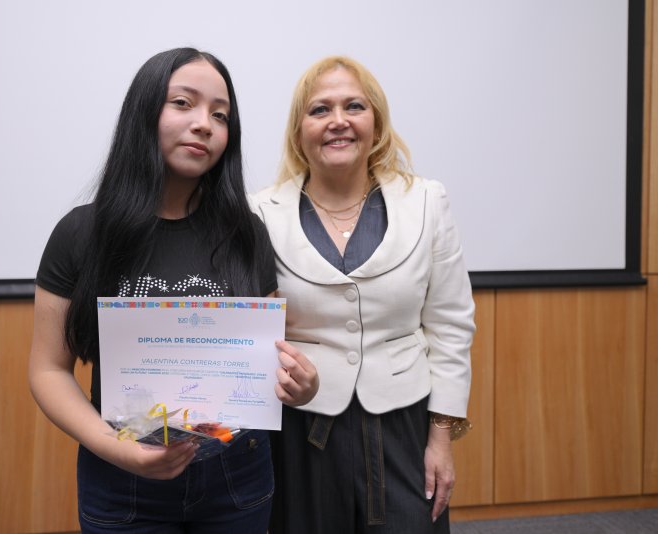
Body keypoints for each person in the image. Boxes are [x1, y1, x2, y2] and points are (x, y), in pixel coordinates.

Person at [29, 47, 318, 533]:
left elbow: (267, 361)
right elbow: (47, 370)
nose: (205, 124)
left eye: (220, 115)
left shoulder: (246, 233)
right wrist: (118, 448)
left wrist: (300, 385)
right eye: (183, 103)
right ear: (143, 112)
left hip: (237, 475)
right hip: (123, 476)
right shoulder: (82, 233)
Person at [251, 56, 476, 533]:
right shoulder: (260, 213)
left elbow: (451, 326)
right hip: (301, 430)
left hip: (404, 426)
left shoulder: (427, 201)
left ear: (376, 123)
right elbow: (252, 331)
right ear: (299, 131)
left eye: (354, 106)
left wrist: (441, 438)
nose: (338, 120)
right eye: (320, 109)